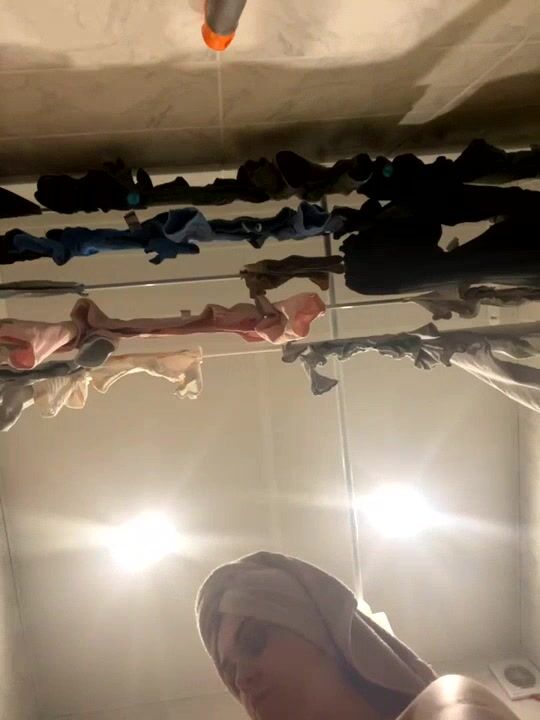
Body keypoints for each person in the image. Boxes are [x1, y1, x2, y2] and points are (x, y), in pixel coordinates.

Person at [196, 551, 519, 720]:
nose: (242, 679)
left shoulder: (443, 702)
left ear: (319, 633)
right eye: (229, 672)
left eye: (254, 641)